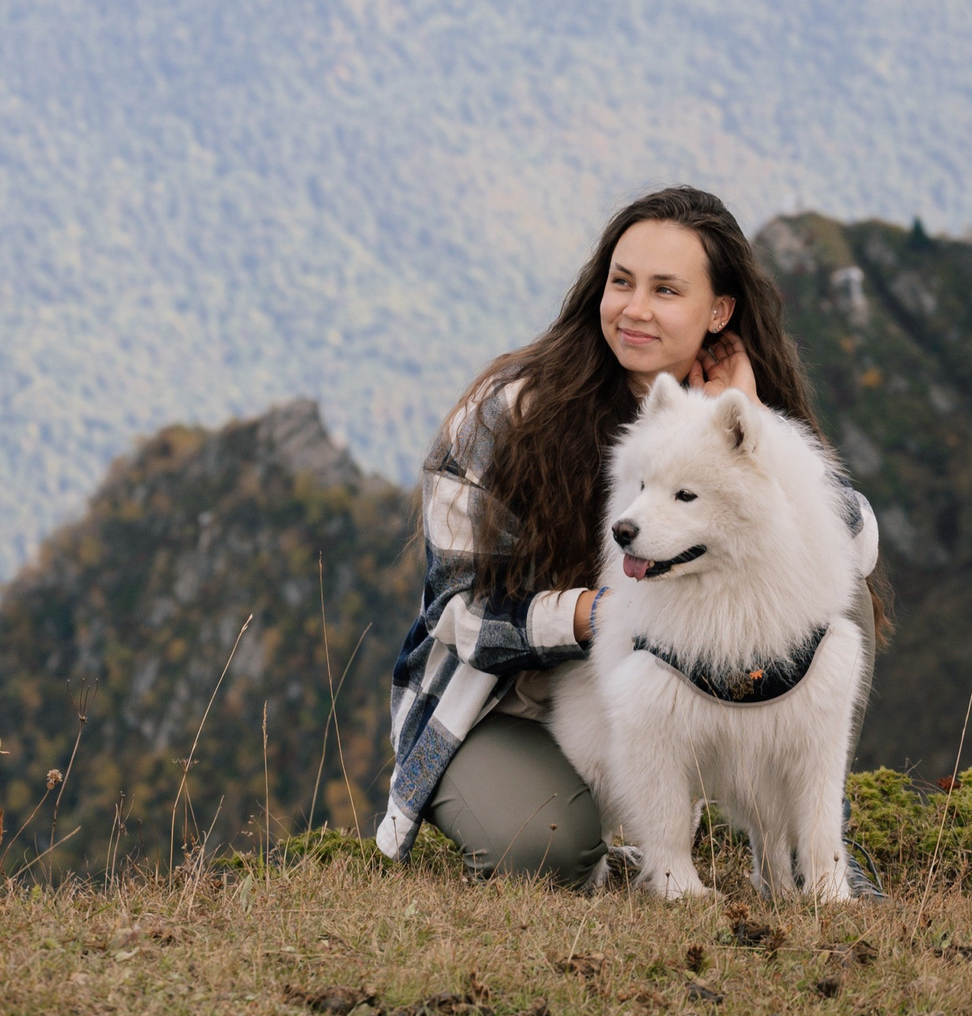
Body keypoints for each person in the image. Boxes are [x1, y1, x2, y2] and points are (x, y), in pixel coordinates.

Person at [373, 186, 889, 882]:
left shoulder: (730, 410)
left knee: (834, 603)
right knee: (544, 846)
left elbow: (848, 546)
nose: (634, 309)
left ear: (719, 311)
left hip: (667, 676)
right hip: (510, 699)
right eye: (622, 282)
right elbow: (456, 615)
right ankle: (636, 853)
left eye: (666, 289)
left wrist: (753, 424)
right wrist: (591, 613)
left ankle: (810, 851)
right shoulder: (504, 418)